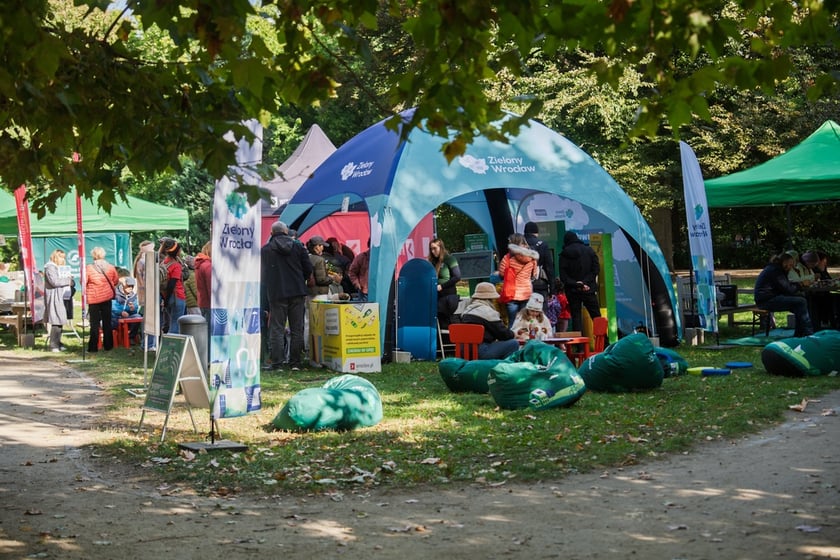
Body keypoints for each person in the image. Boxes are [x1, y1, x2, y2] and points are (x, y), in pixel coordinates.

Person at [261, 220, 313, 371]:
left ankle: (277, 363)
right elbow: (308, 268)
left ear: (271, 233)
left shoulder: (266, 249)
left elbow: (263, 274)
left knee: (277, 328)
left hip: (277, 293)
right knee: (297, 328)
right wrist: (300, 279)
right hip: (297, 291)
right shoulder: (298, 247)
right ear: (286, 231)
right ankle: (295, 363)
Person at [754, 252, 814, 338]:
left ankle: (800, 334)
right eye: (790, 265)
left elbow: (785, 287)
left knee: (800, 303)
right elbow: (788, 289)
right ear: (784, 262)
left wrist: (798, 286)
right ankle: (808, 332)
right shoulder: (776, 270)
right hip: (767, 301)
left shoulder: (776, 268)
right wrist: (801, 284)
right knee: (801, 301)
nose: (791, 267)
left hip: (769, 298)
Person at [460, 281, 519, 359]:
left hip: (464, 352)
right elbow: (504, 335)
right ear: (490, 299)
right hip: (481, 351)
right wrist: (514, 334)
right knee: (513, 343)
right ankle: (503, 365)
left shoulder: (466, 311)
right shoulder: (488, 312)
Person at [559, 231, 601, 332]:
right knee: (596, 316)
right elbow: (596, 269)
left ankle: (578, 341)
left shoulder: (564, 254)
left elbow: (563, 276)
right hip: (589, 289)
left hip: (572, 290)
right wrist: (585, 282)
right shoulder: (589, 251)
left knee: (576, 317)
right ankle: (603, 339)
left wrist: (576, 284)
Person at [497, 233, 539, 324]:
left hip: (511, 293)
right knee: (525, 321)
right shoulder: (532, 258)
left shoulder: (507, 258)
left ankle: (512, 333)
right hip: (526, 293)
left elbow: (501, 274)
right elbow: (534, 275)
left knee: (512, 322)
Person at [85, 246, 119, 353]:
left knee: (94, 323)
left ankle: (93, 347)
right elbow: (116, 280)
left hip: (94, 298)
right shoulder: (111, 267)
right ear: (104, 255)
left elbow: (84, 281)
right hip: (107, 297)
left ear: (93, 255)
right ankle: (108, 345)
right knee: (107, 322)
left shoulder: (89, 268)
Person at [43, 249, 73, 352]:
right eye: (61, 257)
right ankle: (53, 345)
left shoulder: (55, 267)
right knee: (56, 319)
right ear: (56, 257)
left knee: (60, 319)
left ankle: (58, 342)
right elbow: (54, 282)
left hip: (60, 295)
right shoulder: (50, 267)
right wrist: (68, 281)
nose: (63, 260)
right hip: (54, 296)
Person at [428, 238, 462, 329]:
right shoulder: (432, 262)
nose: (433, 251)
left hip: (448, 296)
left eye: (435, 248)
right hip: (436, 296)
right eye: (431, 249)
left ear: (441, 247)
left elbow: (457, 277)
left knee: (448, 322)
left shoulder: (450, 259)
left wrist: (442, 286)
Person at [523, 222, 555, 311]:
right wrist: (552, 289)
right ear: (536, 232)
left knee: (525, 312)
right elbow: (549, 267)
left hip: (522, 284)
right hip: (539, 283)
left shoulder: (519, 245)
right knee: (541, 311)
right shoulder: (542, 244)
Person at [159, 238, 187, 334]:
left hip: (167, 296)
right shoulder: (176, 265)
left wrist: (165, 300)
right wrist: (166, 301)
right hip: (177, 297)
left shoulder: (164, 262)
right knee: (176, 324)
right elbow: (172, 283)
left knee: (172, 322)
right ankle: (172, 342)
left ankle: (170, 341)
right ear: (177, 251)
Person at [111, 276, 142, 341]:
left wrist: (133, 308)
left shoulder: (133, 296)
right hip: (115, 317)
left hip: (127, 317)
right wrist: (121, 312)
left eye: (132, 286)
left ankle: (131, 337)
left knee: (138, 317)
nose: (131, 288)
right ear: (123, 285)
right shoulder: (115, 293)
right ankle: (116, 338)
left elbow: (135, 308)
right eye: (129, 286)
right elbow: (112, 306)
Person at [194, 241, 212, 328]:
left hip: (202, 302)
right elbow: (211, 287)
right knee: (210, 330)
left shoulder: (200, 264)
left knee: (205, 328)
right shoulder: (208, 266)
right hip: (209, 303)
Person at [132, 239, 154, 310]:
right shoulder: (143, 261)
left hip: (146, 292)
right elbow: (142, 278)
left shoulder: (142, 260)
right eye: (152, 249)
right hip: (147, 293)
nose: (153, 251)